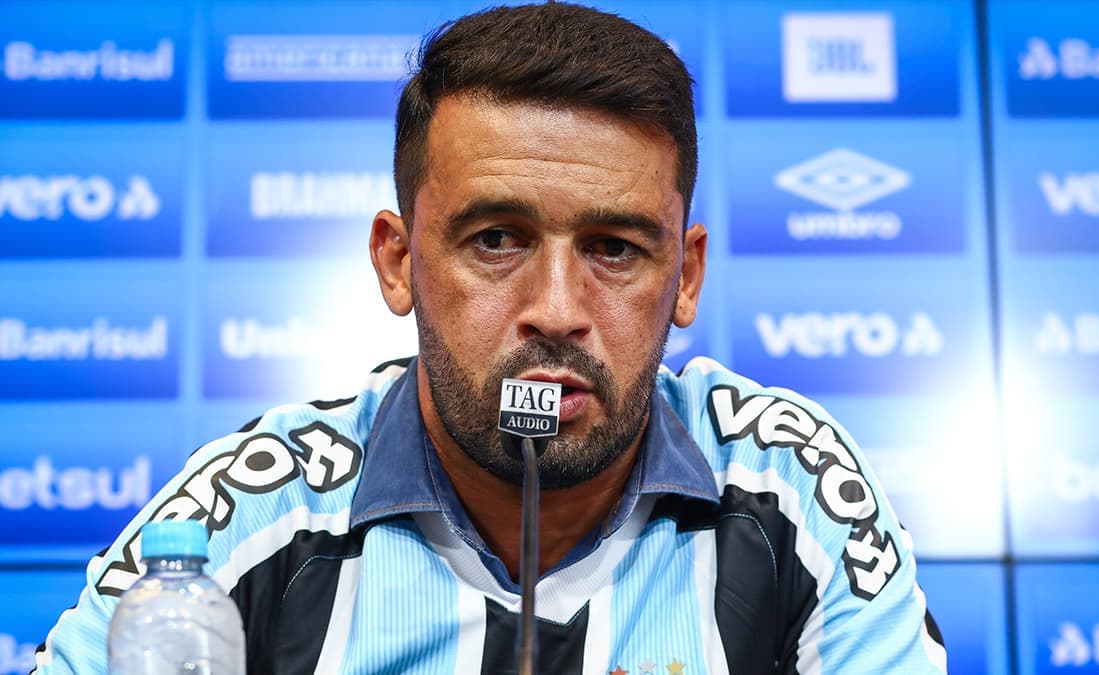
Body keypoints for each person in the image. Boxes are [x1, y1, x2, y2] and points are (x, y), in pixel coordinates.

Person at [34, 3, 946, 673]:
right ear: (398, 262)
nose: (556, 308)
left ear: (687, 276)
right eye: (497, 239)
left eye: (615, 249)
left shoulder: (788, 486)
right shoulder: (256, 512)